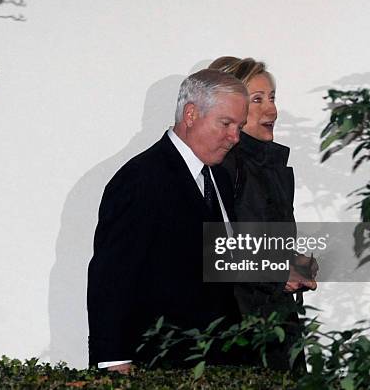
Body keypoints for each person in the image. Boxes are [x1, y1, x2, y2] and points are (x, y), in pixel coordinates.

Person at [87, 69, 249, 373]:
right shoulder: (140, 180)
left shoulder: (220, 179)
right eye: (226, 124)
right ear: (190, 114)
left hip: (217, 362)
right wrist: (114, 362)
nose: (235, 137)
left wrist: (279, 265)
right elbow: (111, 279)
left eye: (239, 126)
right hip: (160, 364)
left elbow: (217, 256)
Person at [208, 56, 317, 372]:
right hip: (243, 338)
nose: (272, 110)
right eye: (257, 100)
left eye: (272, 98)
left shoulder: (264, 165)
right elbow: (212, 250)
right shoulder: (225, 168)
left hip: (274, 326)